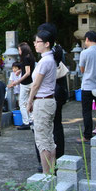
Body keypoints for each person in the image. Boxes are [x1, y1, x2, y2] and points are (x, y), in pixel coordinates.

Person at [27, 29, 62, 174]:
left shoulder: (45, 61)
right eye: (35, 41)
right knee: (49, 139)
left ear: (47, 44)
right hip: (48, 101)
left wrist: (29, 101)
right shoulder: (49, 59)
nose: (35, 44)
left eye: (38, 41)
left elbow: (36, 84)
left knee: (42, 141)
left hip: (42, 101)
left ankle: (47, 175)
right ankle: (51, 172)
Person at [78, 31, 96, 143]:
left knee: (87, 112)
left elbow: (82, 69)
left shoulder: (85, 53)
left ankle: (87, 136)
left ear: (87, 39)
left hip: (87, 85)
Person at [8, 43, 35, 130]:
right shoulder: (30, 56)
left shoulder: (26, 58)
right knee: (29, 102)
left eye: (19, 50)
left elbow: (27, 72)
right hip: (31, 82)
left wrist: (18, 81)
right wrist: (20, 71)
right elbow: (27, 69)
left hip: (26, 83)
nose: (19, 51)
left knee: (22, 103)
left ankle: (26, 122)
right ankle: (31, 119)